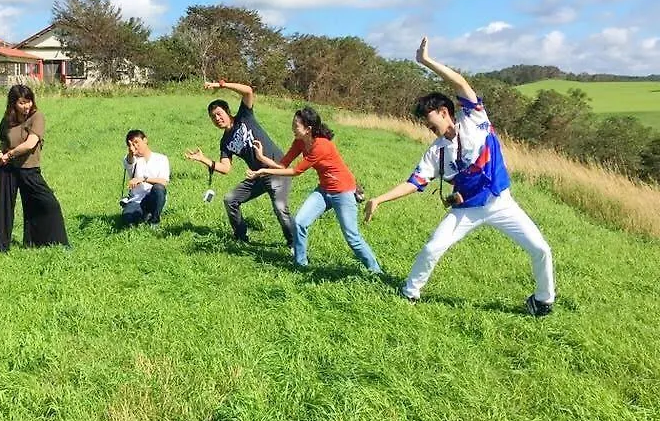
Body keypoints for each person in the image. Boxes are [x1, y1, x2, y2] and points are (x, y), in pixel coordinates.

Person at [364, 37, 555, 316]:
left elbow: (461, 84)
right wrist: (379, 199)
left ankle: (543, 301)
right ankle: (409, 294)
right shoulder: (436, 153)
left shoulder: (475, 120)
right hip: (467, 210)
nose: (428, 127)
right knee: (432, 248)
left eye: (430, 121)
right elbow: (414, 182)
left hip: (501, 203)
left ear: (444, 112)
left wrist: (427, 62)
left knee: (541, 249)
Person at [248, 106, 382, 273]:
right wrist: (261, 157)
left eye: (296, 125)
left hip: (343, 190)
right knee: (299, 222)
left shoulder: (321, 146)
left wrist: (263, 171)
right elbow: (283, 165)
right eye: (293, 124)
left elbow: (295, 172)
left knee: (351, 236)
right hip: (324, 189)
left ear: (308, 129)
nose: (292, 129)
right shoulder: (300, 142)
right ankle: (300, 264)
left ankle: (376, 271)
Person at [183, 80, 294, 247]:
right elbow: (225, 168)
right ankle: (241, 238)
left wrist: (222, 85)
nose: (217, 118)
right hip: (257, 174)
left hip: (275, 168)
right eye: (213, 117)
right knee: (230, 200)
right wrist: (203, 159)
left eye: (219, 114)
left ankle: (294, 243)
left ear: (228, 112)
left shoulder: (244, 116)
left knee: (280, 209)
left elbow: (248, 91)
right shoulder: (225, 142)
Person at [0, 84, 69, 251]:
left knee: (48, 204)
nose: (26, 106)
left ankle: (51, 242)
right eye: (22, 103)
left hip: (28, 168)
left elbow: (30, 143)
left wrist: (9, 155)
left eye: (28, 101)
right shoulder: (7, 119)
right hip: (7, 168)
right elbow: (3, 141)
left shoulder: (36, 117)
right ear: (13, 104)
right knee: (0, 206)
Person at [120, 129, 170, 227]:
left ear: (145, 140)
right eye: (131, 144)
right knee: (128, 221)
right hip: (136, 200)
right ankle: (144, 216)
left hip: (153, 198)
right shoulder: (133, 160)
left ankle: (154, 221)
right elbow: (129, 161)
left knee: (159, 188)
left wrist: (143, 179)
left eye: (137, 142)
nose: (135, 146)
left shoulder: (161, 159)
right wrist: (131, 151)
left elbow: (164, 182)